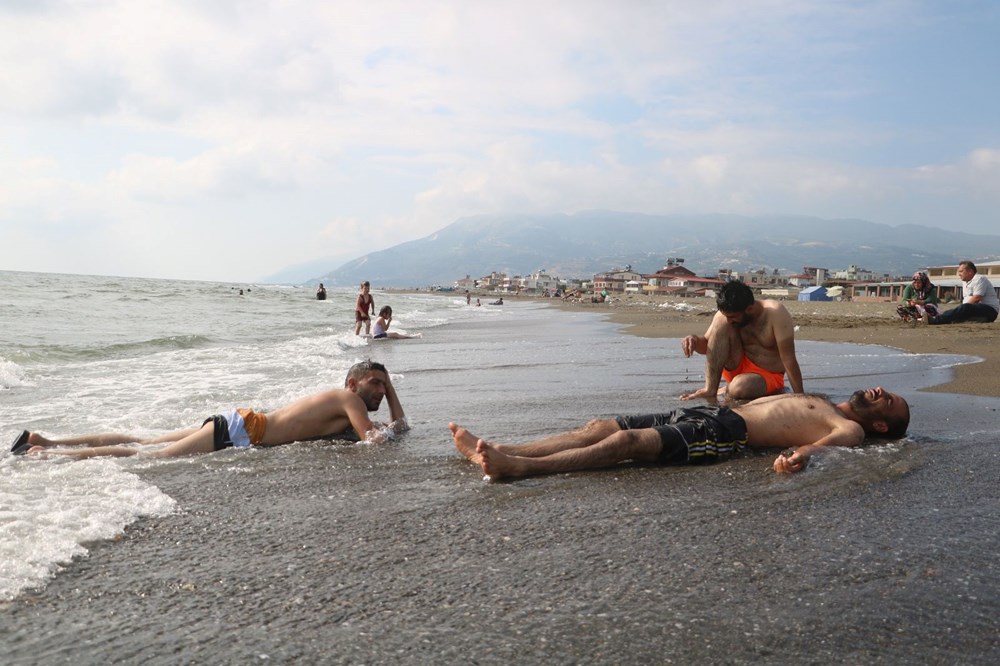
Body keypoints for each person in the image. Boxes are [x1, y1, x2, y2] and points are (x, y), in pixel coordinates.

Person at [451, 387, 909, 481]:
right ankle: (505, 449)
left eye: (887, 401)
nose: (880, 391)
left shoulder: (850, 428)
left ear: (880, 425)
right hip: (714, 411)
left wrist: (798, 458)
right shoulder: (825, 399)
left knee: (627, 445)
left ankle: (522, 468)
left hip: (728, 432)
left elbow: (818, 448)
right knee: (600, 427)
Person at [11, 361, 407, 459]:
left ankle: (47, 440)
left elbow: (399, 427)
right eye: (376, 382)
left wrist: (390, 393)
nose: (380, 389)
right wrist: (387, 403)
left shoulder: (345, 404)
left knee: (144, 442)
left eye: (384, 385)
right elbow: (373, 440)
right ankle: (46, 455)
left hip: (238, 424)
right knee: (147, 457)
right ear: (353, 384)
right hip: (241, 431)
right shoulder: (349, 400)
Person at [681, 281, 804, 402]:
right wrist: (694, 341)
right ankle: (710, 389)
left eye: (733, 317)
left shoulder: (775, 314)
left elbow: (789, 359)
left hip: (767, 376)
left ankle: (729, 388)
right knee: (720, 321)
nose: (729, 321)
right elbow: (709, 346)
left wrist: (800, 397)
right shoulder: (726, 316)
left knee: (739, 387)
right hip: (736, 367)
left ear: (749, 309)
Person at [924, 260, 999, 325]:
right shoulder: (965, 282)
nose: (959, 274)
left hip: (990, 310)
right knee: (951, 312)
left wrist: (963, 309)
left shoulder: (979, 279)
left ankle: (935, 321)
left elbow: (977, 298)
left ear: (970, 271)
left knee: (963, 308)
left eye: (961, 271)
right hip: (974, 309)